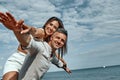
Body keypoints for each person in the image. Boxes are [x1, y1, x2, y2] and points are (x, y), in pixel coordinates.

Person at [0, 12, 71, 80]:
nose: (51, 28)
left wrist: (64, 66)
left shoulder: (49, 45)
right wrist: (27, 28)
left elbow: (55, 56)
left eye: (55, 27)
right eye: (50, 24)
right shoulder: (42, 32)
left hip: (30, 65)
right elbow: (35, 31)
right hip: (18, 61)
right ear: (46, 24)